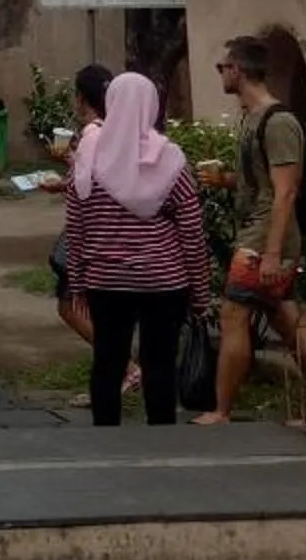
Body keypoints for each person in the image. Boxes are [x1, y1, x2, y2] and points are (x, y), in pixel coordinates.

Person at [64, 72, 211, 427]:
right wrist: (201, 291)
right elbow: (192, 231)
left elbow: (76, 226)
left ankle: (107, 434)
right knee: (160, 363)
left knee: (107, 361)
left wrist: (77, 282)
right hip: (164, 282)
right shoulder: (170, 161)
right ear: (152, 107)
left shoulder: (88, 158)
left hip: (105, 280)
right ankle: (161, 435)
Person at [197, 34, 305, 425]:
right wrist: (226, 180)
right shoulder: (252, 118)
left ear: (238, 69)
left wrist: (272, 252)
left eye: (222, 67)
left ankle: (222, 409)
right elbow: (260, 182)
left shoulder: (279, 122)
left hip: (264, 237)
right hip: (257, 231)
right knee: (286, 320)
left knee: (233, 313)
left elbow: (286, 191)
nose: (221, 74)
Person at [36, 63, 115, 366]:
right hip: (111, 233)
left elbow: (88, 188)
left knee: (70, 305)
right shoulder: (116, 131)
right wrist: (71, 164)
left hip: (90, 233)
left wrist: (64, 182)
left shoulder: (92, 134)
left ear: (81, 98)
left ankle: (125, 367)